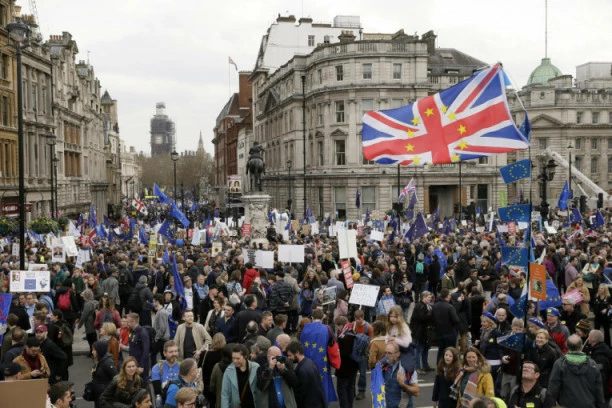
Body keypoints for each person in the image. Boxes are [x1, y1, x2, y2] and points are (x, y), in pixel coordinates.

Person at [549, 334, 606, 407]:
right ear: (581, 346)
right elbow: (598, 389)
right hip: (588, 405)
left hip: (566, 405)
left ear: (567, 346)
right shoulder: (592, 364)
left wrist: (550, 404)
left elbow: (553, 388)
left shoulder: (560, 364)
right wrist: (601, 405)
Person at [299, 308, 337, 404]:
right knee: (323, 381)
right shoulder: (326, 328)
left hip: (307, 360)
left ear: (312, 317)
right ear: (322, 317)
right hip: (322, 360)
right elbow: (333, 342)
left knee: (309, 382)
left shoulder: (305, 328)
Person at [286, 341, 327, 408]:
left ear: (297, 353)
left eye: (290, 355)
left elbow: (300, 392)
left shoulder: (302, 370)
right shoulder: (310, 362)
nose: (289, 358)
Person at [377, 342, 419, 408]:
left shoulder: (407, 368)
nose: (386, 356)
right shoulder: (385, 366)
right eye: (385, 353)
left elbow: (416, 392)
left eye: (389, 353)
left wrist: (403, 385)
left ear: (398, 354)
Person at [221, 344, 260, 408]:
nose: (235, 361)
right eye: (233, 358)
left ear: (245, 356)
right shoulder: (228, 371)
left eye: (238, 358)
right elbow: (225, 394)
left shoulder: (256, 367)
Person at [432, 288, 460, 363]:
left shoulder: (434, 306)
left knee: (441, 350)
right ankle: (450, 367)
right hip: (450, 332)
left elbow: (432, 319)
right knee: (450, 351)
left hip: (439, 332)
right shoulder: (450, 307)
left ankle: (439, 366)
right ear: (447, 296)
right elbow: (456, 320)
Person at [199, 333, 226, 408]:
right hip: (220, 384)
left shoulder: (204, 354)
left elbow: (199, 366)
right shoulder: (224, 355)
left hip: (206, 384)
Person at [586, 329, 612, 401]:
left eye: (589, 336)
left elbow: (601, 377)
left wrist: (599, 395)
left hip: (603, 393)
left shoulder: (600, 356)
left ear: (593, 339)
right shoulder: (600, 349)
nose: (588, 338)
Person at [91, 340, 118, 407]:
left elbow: (116, 378)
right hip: (99, 395)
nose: (92, 352)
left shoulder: (108, 363)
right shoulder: (99, 360)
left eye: (94, 350)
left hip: (104, 396)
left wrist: (108, 391)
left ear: (100, 350)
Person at [126, 313, 151, 385]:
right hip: (134, 362)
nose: (127, 323)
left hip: (141, 364)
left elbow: (146, 351)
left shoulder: (143, 333)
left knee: (144, 383)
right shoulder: (132, 331)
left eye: (128, 321)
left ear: (133, 322)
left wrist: (141, 366)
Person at [79, 289, 98, 357]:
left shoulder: (87, 304)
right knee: (94, 338)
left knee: (90, 338)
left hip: (89, 323)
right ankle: (94, 351)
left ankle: (92, 351)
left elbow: (84, 316)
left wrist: (79, 325)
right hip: (94, 322)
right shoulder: (95, 302)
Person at [152, 294, 171, 363]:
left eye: (154, 301)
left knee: (154, 354)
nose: (153, 303)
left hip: (161, 339)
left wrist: (157, 337)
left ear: (157, 302)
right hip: (162, 338)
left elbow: (162, 327)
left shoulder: (161, 313)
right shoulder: (160, 312)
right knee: (163, 356)